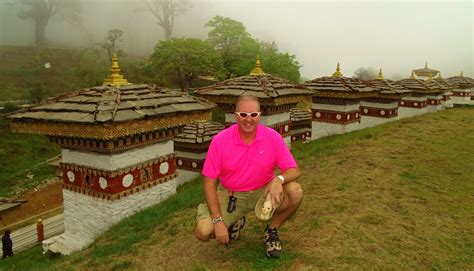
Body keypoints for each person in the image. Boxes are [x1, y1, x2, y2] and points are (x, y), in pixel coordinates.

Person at [195, 95, 303, 258]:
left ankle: (272, 231)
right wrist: (218, 221)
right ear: (236, 115)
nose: (248, 120)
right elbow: (208, 180)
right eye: (243, 114)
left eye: (253, 115)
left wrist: (278, 179)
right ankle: (234, 222)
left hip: (264, 191)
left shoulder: (272, 137)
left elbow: (293, 169)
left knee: (295, 191)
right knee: (203, 232)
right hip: (231, 195)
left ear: (259, 115)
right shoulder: (220, 141)